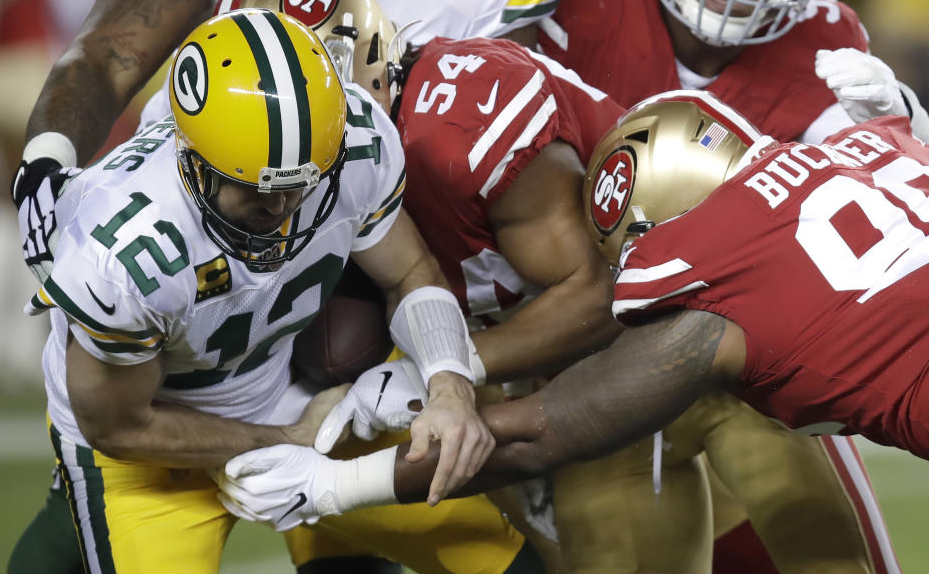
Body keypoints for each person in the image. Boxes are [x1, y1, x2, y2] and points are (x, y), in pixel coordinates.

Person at [10, 0, 573, 572]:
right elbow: (122, 425)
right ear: (192, 154)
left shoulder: (354, 141)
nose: (283, 209)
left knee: (502, 561)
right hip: (148, 451)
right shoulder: (121, 250)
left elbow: (410, 272)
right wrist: (288, 442)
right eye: (256, 189)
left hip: (288, 390)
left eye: (301, 184)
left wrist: (447, 383)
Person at [212, 94, 929, 553]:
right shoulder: (866, 149)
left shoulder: (717, 308)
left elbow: (540, 432)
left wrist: (338, 485)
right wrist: (906, 114)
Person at [533, 0, 918, 570]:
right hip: (596, 366)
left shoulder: (824, 34)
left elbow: (894, 204)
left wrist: (903, 119)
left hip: (753, 372)